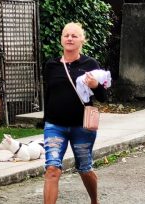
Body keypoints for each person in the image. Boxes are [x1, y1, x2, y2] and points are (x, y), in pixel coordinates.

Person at [43, 22, 107, 204]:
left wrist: (95, 85)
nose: (70, 38)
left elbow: (103, 97)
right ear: (61, 39)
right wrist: (45, 121)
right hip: (55, 126)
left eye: (74, 36)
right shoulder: (51, 66)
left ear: (82, 40)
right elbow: (49, 95)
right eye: (66, 35)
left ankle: (95, 201)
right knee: (52, 169)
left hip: (82, 126)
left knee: (84, 168)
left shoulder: (90, 64)